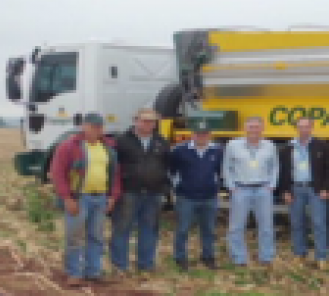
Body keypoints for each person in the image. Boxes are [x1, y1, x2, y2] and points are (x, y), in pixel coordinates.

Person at [48, 113, 121, 286]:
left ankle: (93, 272)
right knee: (75, 237)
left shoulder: (108, 148)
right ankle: (74, 273)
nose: (97, 130)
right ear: (84, 127)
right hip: (79, 198)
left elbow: (115, 174)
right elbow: (58, 173)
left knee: (96, 237)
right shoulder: (69, 147)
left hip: (101, 197)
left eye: (99, 127)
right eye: (93, 126)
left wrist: (112, 196)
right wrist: (67, 198)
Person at [110, 108, 172, 275]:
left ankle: (146, 264)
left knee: (149, 229)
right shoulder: (122, 141)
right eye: (144, 120)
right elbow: (113, 167)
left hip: (153, 192)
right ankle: (119, 265)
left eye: (151, 121)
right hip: (129, 191)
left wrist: (165, 188)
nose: (148, 124)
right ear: (135, 120)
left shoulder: (161, 141)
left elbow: (167, 166)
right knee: (122, 228)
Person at [278, 117, 329, 269]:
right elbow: (283, 171)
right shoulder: (288, 148)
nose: (303, 130)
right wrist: (285, 190)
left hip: (315, 189)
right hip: (296, 189)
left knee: (318, 223)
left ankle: (321, 257)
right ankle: (299, 254)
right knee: (297, 223)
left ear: (312, 128)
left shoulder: (321, 146)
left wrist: (326, 188)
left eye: (306, 127)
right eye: (300, 127)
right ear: (296, 128)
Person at [222, 116, 278, 267]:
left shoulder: (269, 145)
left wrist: (272, 184)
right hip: (241, 189)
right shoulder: (233, 145)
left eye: (257, 127)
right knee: (237, 226)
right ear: (245, 128)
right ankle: (239, 257)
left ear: (262, 128)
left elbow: (274, 166)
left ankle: (266, 257)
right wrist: (231, 186)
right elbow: (227, 166)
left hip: (263, 189)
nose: (254, 130)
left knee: (266, 226)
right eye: (251, 127)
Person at [168, 125, 223, 270]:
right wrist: (176, 188)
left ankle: (208, 256)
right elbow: (172, 171)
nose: (201, 136)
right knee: (183, 228)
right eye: (198, 134)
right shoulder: (180, 150)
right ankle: (180, 257)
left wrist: (216, 187)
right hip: (186, 196)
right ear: (193, 135)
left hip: (209, 196)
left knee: (209, 229)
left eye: (205, 134)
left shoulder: (217, 151)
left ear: (210, 135)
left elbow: (220, 171)